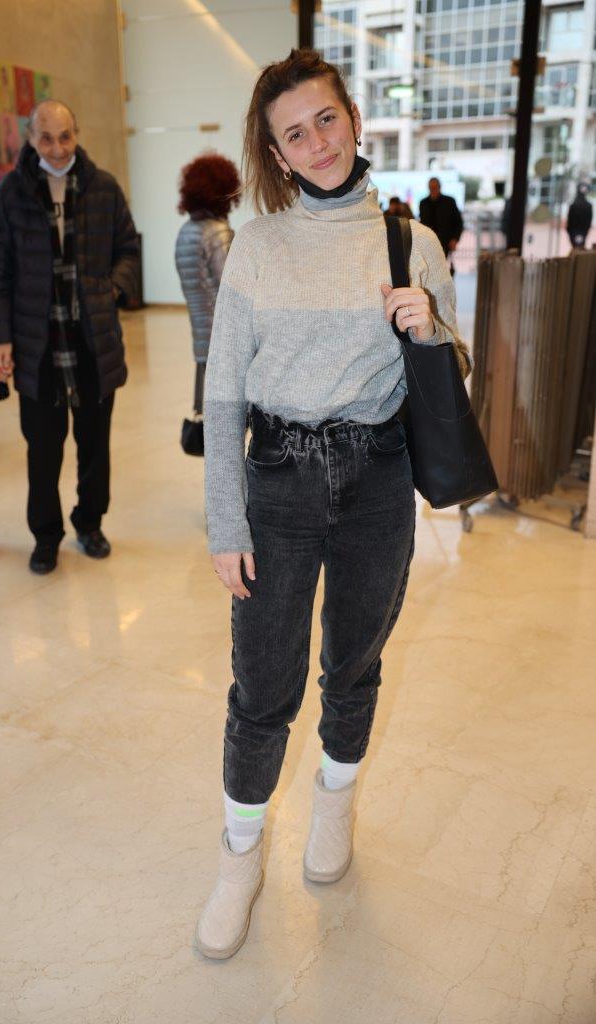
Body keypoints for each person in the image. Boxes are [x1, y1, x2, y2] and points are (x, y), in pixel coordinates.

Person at [196, 48, 470, 960]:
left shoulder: (410, 242)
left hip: (379, 477)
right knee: (261, 687)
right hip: (277, 480)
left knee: (354, 667)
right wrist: (226, 520)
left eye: (326, 119)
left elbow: (455, 371)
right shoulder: (257, 246)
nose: (317, 143)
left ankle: (333, 807)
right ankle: (239, 860)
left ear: (352, 117)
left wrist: (430, 328)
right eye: (294, 133)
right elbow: (223, 395)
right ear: (275, 154)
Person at [0, 99, 140, 574]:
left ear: (77, 134)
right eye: (46, 138)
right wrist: (1, 337)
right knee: (43, 450)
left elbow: (129, 249)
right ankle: (46, 535)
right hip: (38, 347)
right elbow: (0, 274)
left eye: (65, 137)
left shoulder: (103, 187)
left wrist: (111, 288)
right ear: (30, 139)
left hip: (93, 343)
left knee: (94, 446)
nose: (57, 148)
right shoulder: (12, 192)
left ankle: (89, 523)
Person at [175, 152, 240, 417]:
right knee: (232, 418)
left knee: (211, 415)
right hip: (227, 340)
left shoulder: (185, 232)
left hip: (202, 338)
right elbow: (233, 289)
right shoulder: (217, 232)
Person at [419, 176, 463, 273]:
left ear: (439, 187)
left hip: (445, 242)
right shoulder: (423, 203)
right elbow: (422, 224)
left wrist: (455, 239)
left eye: (435, 187)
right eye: (431, 188)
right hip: (428, 243)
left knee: (440, 269)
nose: (433, 190)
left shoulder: (449, 202)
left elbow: (458, 222)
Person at [566, 184, 593, 250]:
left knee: (576, 247)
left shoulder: (573, 205)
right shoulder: (588, 206)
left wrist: (569, 230)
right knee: (580, 247)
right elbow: (589, 221)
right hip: (582, 231)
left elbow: (569, 220)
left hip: (575, 231)